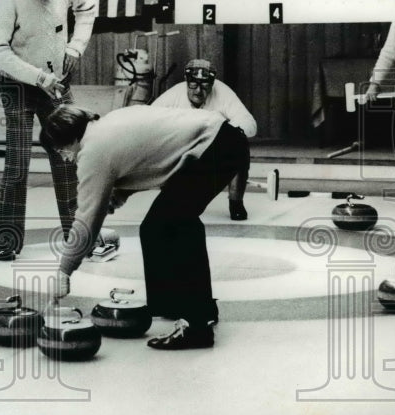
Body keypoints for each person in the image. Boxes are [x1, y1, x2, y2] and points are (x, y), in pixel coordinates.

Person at [42, 103, 249, 350]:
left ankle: (196, 326)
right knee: (156, 227)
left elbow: (86, 219)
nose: (64, 158)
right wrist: (115, 198)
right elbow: (147, 162)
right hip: (225, 140)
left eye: (60, 150)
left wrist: (64, 271)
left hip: (215, 146)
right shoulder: (108, 124)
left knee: (172, 223)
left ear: (68, 138)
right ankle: (183, 307)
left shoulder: (92, 150)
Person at [0, 0, 97, 260]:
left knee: (68, 159)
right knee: (16, 167)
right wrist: (37, 77)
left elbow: (88, 8)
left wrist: (76, 46)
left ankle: (78, 236)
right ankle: (7, 241)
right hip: (18, 87)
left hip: (57, 86)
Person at [152, 58, 257, 220]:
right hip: (182, 147)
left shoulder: (223, 92)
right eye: (193, 85)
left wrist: (222, 134)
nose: (198, 91)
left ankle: (236, 202)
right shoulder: (174, 94)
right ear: (186, 81)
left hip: (212, 146)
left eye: (205, 85)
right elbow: (147, 120)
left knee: (240, 143)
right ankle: (172, 197)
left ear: (212, 84)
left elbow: (249, 124)